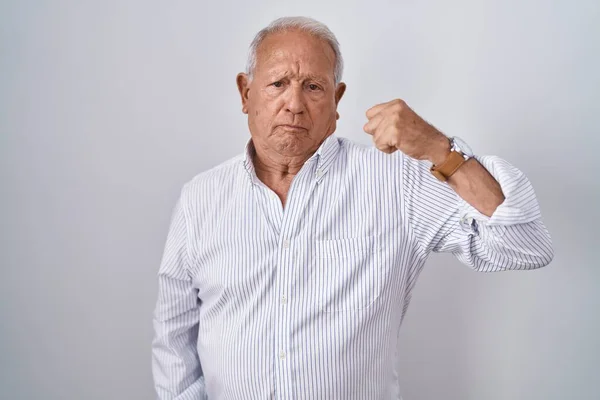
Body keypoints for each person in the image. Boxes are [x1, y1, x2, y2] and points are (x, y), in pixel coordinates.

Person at [151, 16, 554, 400]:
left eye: (313, 87)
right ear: (245, 92)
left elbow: (525, 244)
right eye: (278, 83)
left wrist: (436, 148)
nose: (294, 104)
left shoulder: (396, 183)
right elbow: (174, 340)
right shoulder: (199, 199)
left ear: (337, 99)